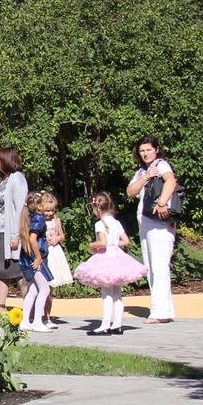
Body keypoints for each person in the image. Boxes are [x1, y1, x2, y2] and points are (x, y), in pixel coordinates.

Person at [75, 192, 147, 336]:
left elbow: (103, 242)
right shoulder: (116, 222)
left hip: (105, 258)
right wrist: (114, 244)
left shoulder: (100, 224)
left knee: (107, 293)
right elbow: (126, 241)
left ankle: (105, 325)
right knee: (117, 294)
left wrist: (92, 245)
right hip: (118, 257)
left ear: (98, 208)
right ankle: (117, 324)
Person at [126, 135, 178, 324]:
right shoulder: (143, 171)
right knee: (151, 266)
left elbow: (171, 181)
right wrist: (147, 176)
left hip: (159, 224)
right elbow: (130, 192)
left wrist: (162, 203)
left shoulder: (161, 164)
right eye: (142, 150)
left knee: (159, 267)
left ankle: (160, 312)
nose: (145, 153)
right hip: (146, 223)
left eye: (149, 149)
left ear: (156, 149)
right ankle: (163, 310)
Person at [0, 147, 27, 309]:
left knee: (18, 270)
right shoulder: (5, 180)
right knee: (2, 270)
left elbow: (20, 209)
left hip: (10, 233)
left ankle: (29, 306)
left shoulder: (17, 179)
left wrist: (15, 235)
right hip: (0, 231)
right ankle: (1, 305)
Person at [18, 193, 55, 332]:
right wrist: (39, 258)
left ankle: (25, 321)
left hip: (27, 258)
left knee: (34, 289)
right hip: (35, 259)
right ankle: (37, 321)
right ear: (39, 206)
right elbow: (33, 239)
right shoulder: (39, 218)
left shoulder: (31, 217)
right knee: (44, 289)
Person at [42, 192, 71, 322]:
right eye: (47, 210)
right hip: (43, 252)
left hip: (54, 253)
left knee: (50, 287)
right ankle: (36, 314)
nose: (50, 213)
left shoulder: (56, 220)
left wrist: (58, 238)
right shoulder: (38, 221)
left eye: (52, 210)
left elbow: (62, 235)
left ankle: (47, 315)